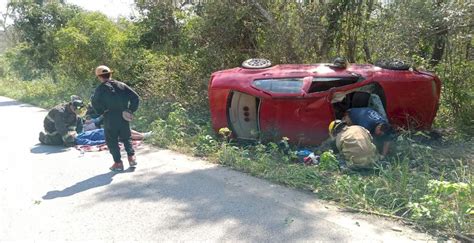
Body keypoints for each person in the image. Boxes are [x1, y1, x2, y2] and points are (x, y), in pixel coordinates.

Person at [91, 65, 140, 172]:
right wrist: (130, 110)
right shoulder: (122, 85)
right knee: (126, 137)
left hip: (109, 117)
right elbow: (135, 97)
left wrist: (101, 111)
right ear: (110, 74)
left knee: (112, 140)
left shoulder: (99, 89)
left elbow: (94, 103)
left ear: (99, 76)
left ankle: (118, 163)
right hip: (124, 116)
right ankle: (131, 158)